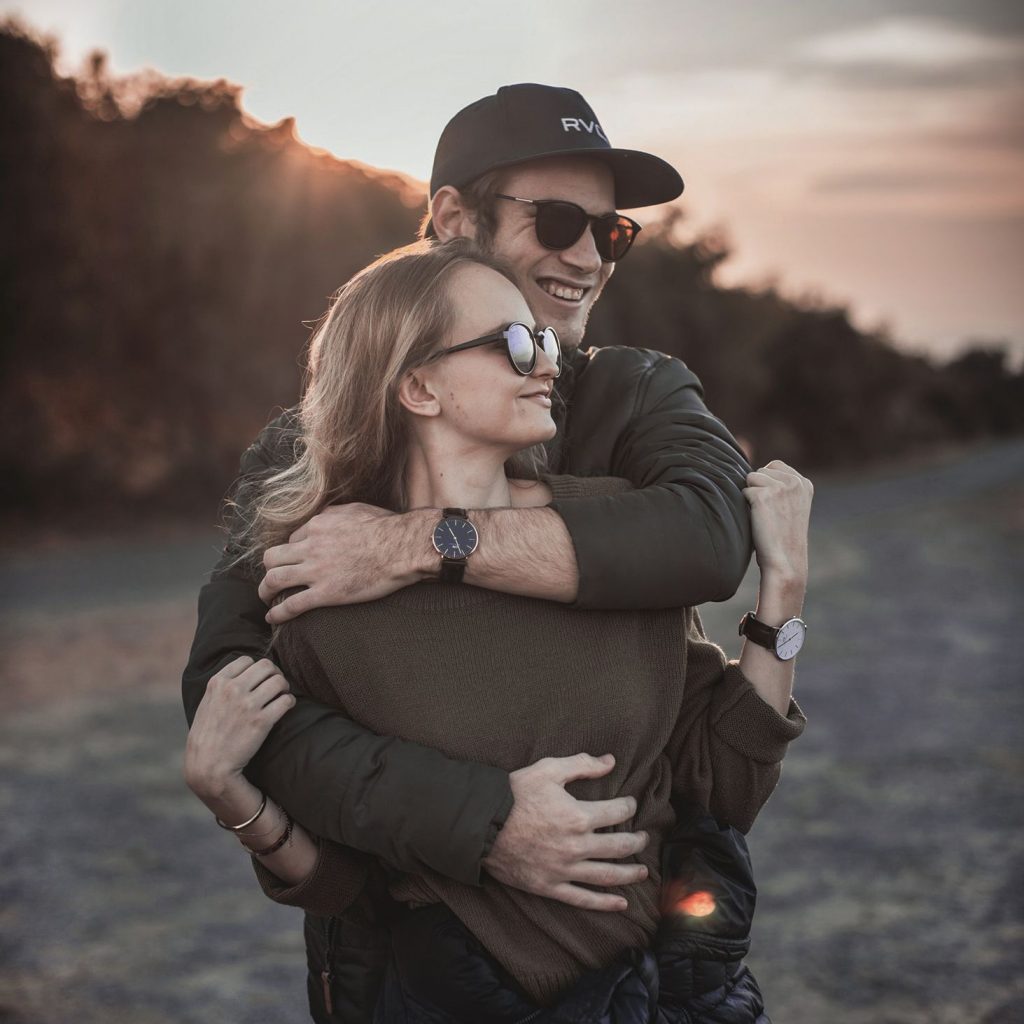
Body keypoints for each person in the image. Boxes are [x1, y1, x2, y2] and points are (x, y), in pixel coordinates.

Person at [180, 84, 793, 1019]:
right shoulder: (310, 454)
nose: (588, 256)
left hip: (654, 970)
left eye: (610, 232)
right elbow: (235, 692)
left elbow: (711, 539)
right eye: (557, 221)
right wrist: (483, 822)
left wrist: (423, 541)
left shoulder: (638, 393)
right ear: (453, 218)